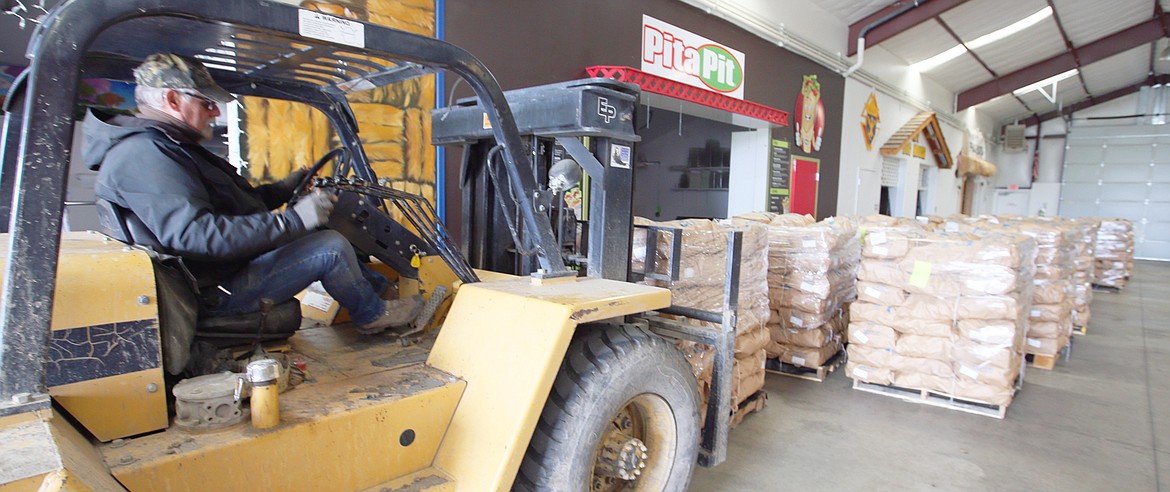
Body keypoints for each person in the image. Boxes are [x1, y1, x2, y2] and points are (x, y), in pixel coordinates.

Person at [84, 53, 422, 335]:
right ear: (172, 100)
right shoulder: (146, 155)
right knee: (329, 246)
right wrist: (293, 219)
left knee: (317, 230)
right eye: (206, 103)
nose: (215, 112)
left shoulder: (168, 149)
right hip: (213, 293)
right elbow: (199, 234)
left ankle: (381, 293)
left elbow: (231, 210)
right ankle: (371, 314)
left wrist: (284, 188)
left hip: (219, 273)